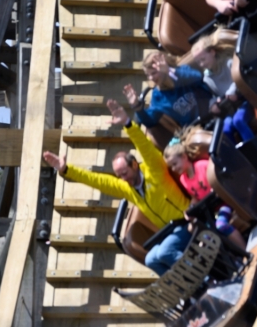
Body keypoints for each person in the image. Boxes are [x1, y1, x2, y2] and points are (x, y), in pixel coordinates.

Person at [43, 100, 191, 276]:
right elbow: (97, 180)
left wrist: (128, 124)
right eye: (119, 175)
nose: (123, 178)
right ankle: (183, 291)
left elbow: (144, 146)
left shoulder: (154, 171)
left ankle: (201, 279)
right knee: (152, 258)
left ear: (134, 165)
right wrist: (67, 170)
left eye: (125, 172)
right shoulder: (128, 188)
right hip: (168, 230)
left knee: (164, 252)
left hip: (186, 221)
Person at [163, 138, 246, 249]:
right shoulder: (184, 179)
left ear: (184, 156)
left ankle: (245, 250)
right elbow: (195, 196)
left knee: (221, 225)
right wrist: (190, 209)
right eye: (171, 166)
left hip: (225, 202)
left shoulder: (202, 166)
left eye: (175, 164)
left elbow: (219, 180)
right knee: (202, 236)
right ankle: (232, 258)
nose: (174, 168)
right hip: (212, 210)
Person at [123, 50, 211, 149]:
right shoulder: (158, 96)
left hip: (214, 113)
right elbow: (150, 121)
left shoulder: (182, 71)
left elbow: (198, 77)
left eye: (154, 73)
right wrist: (137, 106)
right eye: (147, 75)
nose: (151, 78)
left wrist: (170, 72)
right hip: (197, 130)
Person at [190, 30, 256, 142]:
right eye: (198, 62)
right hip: (231, 107)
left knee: (238, 121)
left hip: (246, 99)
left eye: (203, 59)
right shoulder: (207, 78)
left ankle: (254, 148)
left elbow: (240, 77)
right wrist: (214, 104)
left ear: (212, 52)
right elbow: (215, 95)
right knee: (225, 129)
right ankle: (238, 156)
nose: (202, 64)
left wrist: (233, 91)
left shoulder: (228, 62)